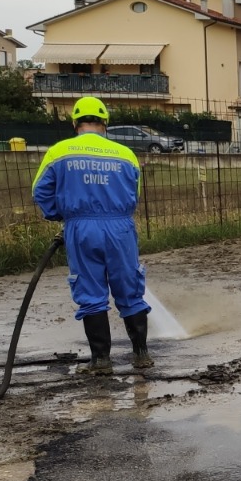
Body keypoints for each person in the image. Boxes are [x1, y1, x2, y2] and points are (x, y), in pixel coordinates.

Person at [31, 96, 152, 375]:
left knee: (90, 292)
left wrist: (58, 215)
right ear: (105, 123)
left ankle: (100, 360)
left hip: (81, 228)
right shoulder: (126, 154)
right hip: (120, 227)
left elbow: (40, 191)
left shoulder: (59, 152)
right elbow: (134, 194)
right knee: (129, 288)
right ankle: (141, 355)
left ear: (75, 122)